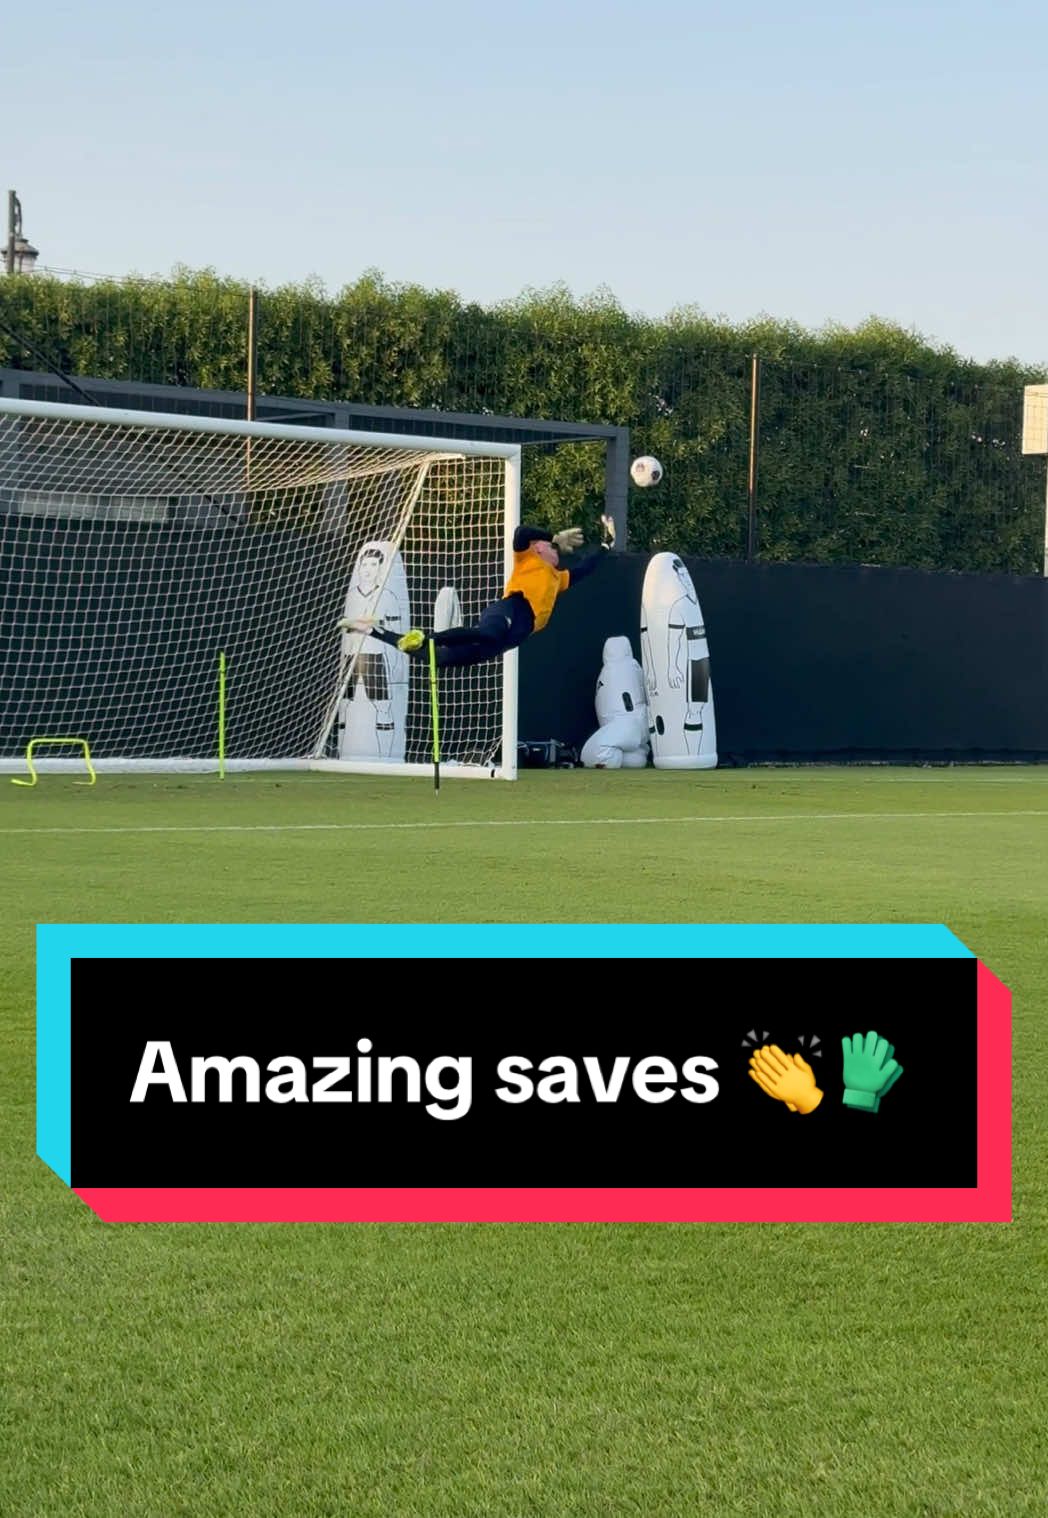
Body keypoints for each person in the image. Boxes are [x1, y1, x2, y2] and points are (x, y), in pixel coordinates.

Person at [339, 515, 616, 668]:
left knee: (442, 660)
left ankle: (371, 630)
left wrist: (606, 545)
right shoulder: (527, 558)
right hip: (512, 608)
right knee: (486, 633)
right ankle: (426, 635)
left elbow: (586, 568)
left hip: (518, 633)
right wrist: (552, 536)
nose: (559, 551)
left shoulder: (558, 578)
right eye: (553, 548)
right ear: (539, 547)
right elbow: (520, 532)